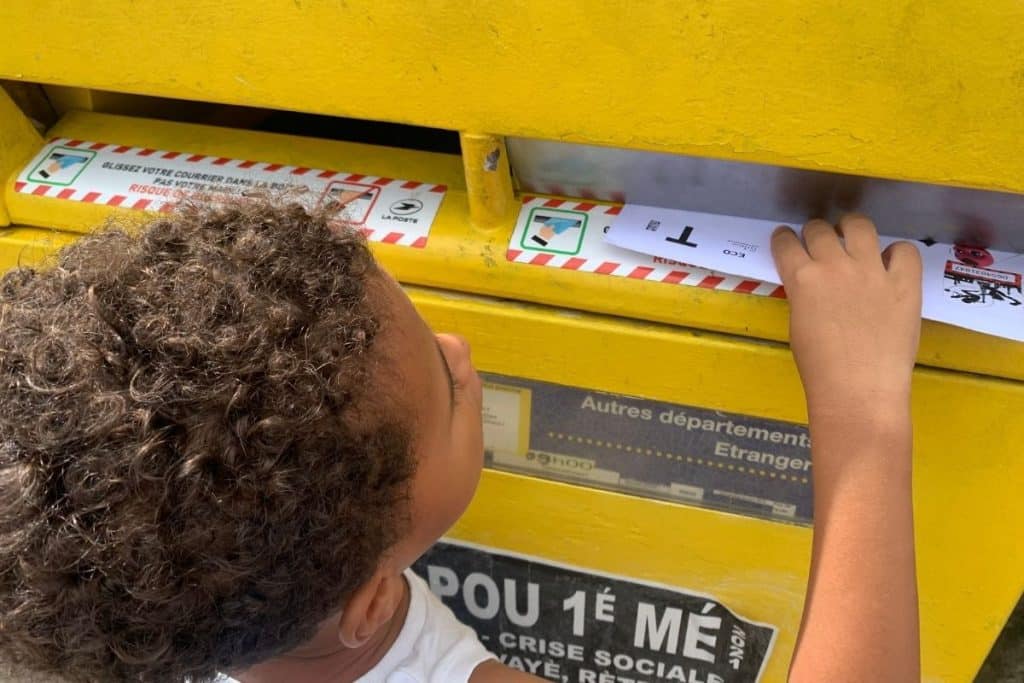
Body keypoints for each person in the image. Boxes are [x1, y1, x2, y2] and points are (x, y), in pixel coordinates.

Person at [0, 199, 920, 682]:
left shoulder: (146, 613)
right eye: (448, 391)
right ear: (366, 605)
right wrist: (863, 416)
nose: (459, 348)